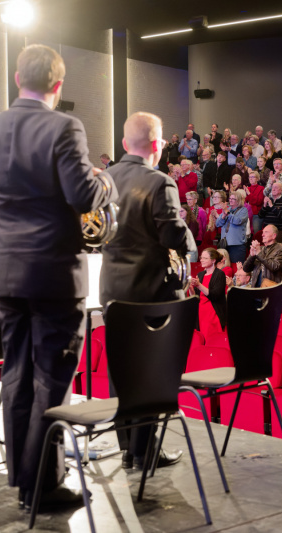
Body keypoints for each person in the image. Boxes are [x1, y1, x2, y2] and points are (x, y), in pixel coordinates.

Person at [0, 44, 117, 508]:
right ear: (59, 84)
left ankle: (24, 480)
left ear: (15, 78)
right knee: (51, 377)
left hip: (6, 271)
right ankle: (41, 484)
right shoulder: (64, 126)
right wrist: (105, 181)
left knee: (15, 372)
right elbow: (84, 195)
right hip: (52, 271)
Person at [98, 111, 193, 472]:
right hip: (152, 293)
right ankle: (145, 450)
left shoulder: (105, 178)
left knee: (121, 372)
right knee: (152, 373)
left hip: (112, 291)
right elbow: (173, 237)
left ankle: (130, 449)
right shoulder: (159, 182)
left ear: (124, 144)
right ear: (158, 145)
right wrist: (186, 233)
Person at [189, 248, 227, 339]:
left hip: (212, 314)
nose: (201, 260)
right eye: (201, 257)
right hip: (200, 313)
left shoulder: (220, 274)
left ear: (213, 260)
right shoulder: (200, 274)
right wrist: (190, 288)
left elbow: (215, 295)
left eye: (205, 258)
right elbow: (195, 297)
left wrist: (198, 285)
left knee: (213, 340)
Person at [216, 188, 250, 263]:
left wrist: (227, 213)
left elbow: (238, 221)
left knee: (236, 267)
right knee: (224, 267)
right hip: (225, 245)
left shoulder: (243, 210)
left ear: (238, 201)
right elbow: (217, 224)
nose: (230, 200)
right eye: (230, 198)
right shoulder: (228, 209)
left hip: (237, 246)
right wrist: (223, 216)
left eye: (233, 199)